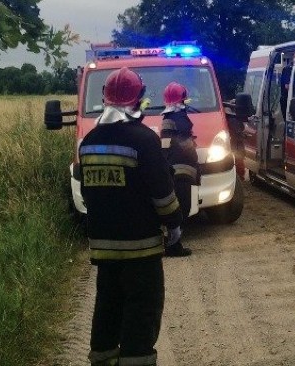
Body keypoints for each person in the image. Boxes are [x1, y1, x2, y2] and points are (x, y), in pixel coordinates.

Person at [79, 67, 184, 366]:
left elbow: (88, 196)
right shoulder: (144, 140)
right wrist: (174, 223)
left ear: (104, 99)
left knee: (107, 310)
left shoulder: (88, 143)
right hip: (142, 250)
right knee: (141, 314)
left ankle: (102, 361)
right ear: (138, 100)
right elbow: (163, 197)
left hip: (104, 251)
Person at [159, 81, 197, 257]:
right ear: (181, 98)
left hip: (179, 169)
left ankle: (174, 242)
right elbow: (174, 144)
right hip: (181, 170)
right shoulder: (175, 118)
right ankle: (174, 245)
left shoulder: (170, 117)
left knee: (181, 207)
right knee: (182, 207)